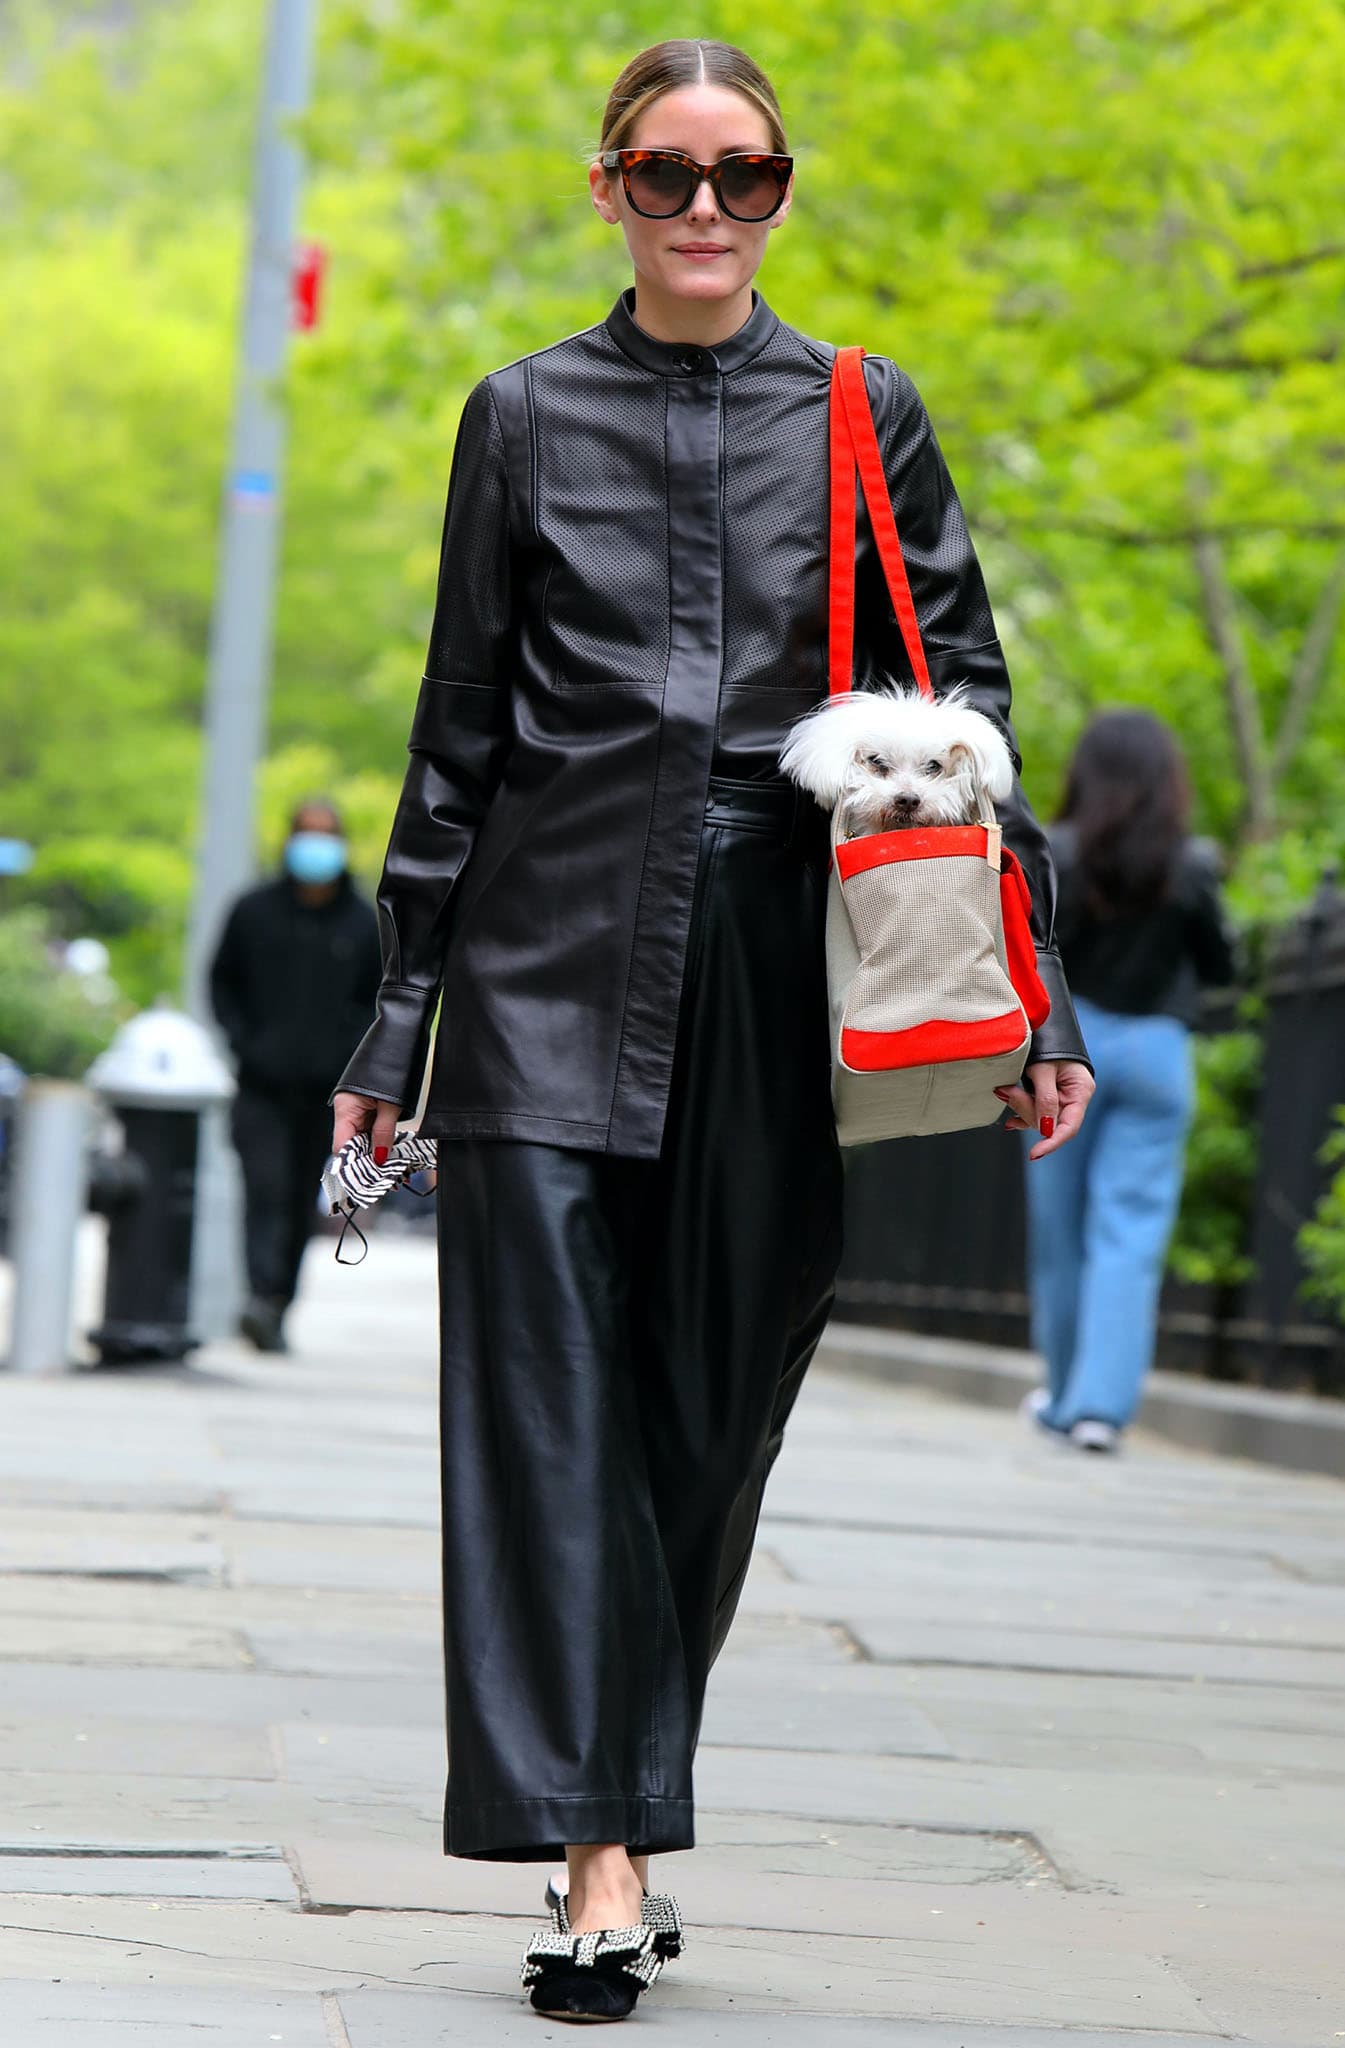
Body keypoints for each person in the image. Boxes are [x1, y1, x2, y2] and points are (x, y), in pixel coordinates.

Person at [332, 39, 1094, 2022]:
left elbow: (965, 706)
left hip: (779, 979)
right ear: (606, 191)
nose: (701, 210)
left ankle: (622, 1798)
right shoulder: (517, 415)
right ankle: (594, 1858)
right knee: (546, 1425)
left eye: (740, 177)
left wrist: (1043, 1000)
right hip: (538, 973)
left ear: (780, 190)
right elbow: (455, 741)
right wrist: (395, 1019)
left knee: (705, 1424)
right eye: (663, 175)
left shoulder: (865, 411)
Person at [1021, 711, 1236, 1453]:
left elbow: (1030, 958)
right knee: (1129, 1236)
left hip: (1065, 1049)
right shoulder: (1193, 862)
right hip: (1155, 1052)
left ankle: (1061, 1396)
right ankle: (1097, 1410)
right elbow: (1221, 968)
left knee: (1060, 1235)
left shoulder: (1058, 853)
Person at [210, 799, 380, 1353]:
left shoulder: (363, 922)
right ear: (288, 841)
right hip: (260, 1088)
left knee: (301, 1198)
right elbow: (222, 982)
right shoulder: (253, 910)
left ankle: (278, 1302)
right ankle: (261, 1296)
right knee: (265, 1190)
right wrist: (246, 1044)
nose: (316, 846)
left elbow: (378, 1002)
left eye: (326, 835)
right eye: (307, 834)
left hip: (328, 1097)